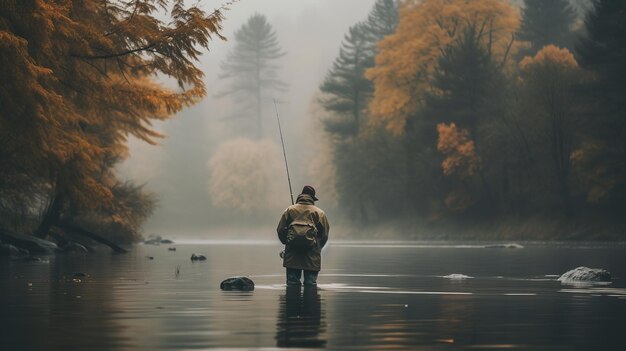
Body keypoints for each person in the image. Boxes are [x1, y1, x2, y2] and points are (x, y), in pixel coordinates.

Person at [277, 185, 330, 287]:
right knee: (310, 284)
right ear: (313, 198)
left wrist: (287, 242)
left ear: (301, 196)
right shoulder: (320, 213)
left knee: (292, 285)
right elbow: (325, 235)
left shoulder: (289, 210)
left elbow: (280, 230)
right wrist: (317, 247)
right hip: (312, 255)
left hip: (292, 253)